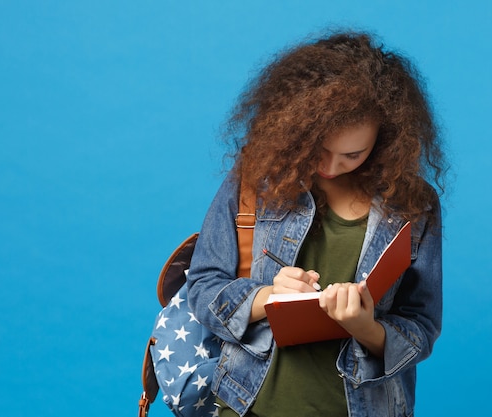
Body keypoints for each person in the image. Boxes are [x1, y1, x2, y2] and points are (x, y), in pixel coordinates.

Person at [186, 30, 447, 417]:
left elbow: (420, 327)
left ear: (386, 138)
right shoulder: (256, 180)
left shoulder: (413, 206)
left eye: (351, 154)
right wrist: (267, 298)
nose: (329, 167)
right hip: (244, 405)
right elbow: (203, 287)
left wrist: (366, 327)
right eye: (319, 149)